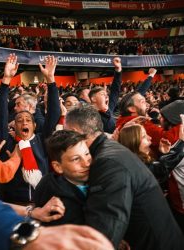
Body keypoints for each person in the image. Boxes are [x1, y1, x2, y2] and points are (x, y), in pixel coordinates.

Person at [65, 105, 184, 250]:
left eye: (66, 133)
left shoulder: (108, 162)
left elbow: (107, 230)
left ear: (74, 132)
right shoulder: (110, 149)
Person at [0, 54, 60, 204]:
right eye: (19, 120)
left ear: (34, 126)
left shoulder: (42, 141)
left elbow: (54, 113)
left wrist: (51, 80)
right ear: (13, 125)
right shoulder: (7, 142)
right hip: (12, 205)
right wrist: (5, 81)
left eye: (28, 120)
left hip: (42, 203)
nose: (24, 123)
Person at [34, 130, 90, 226]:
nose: (86, 163)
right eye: (76, 159)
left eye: (87, 154)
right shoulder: (60, 208)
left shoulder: (96, 177)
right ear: (58, 167)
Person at [89, 57, 122, 134]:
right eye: (102, 94)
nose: (106, 96)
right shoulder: (87, 114)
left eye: (106, 94)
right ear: (93, 99)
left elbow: (115, 91)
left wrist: (118, 70)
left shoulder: (109, 107)